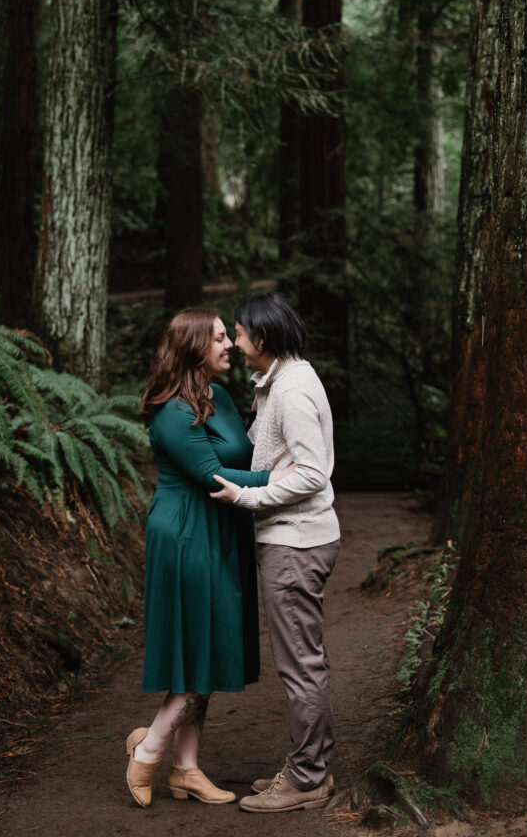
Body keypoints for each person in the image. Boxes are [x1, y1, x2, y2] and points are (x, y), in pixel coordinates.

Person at [126, 308, 294, 808]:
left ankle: (186, 769)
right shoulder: (172, 411)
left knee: (210, 648)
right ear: (194, 347)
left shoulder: (217, 396)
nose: (230, 345)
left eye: (227, 336)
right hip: (186, 534)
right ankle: (148, 751)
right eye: (220, 338)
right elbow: (211, 474)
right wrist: (280, 480)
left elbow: (244, 453)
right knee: (195, 651)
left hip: (221, 529)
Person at [210, 292, 340, 814]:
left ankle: (307, 778)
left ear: (261, 337)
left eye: (239, 333)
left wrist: (247, 497)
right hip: (292, 539)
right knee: (304, 662)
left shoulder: (292, 391)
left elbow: (311, 474)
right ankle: (311, 766)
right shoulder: (279, 382)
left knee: (300, 666)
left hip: (295, 542)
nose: (235, 343)